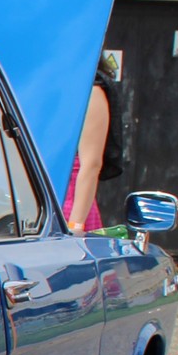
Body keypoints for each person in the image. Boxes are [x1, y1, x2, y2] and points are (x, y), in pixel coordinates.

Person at [64, 60, 123, 234]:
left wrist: (76, 225)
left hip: (71, 203)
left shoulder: (91, 92)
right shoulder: (53, 86)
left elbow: (91, 164)